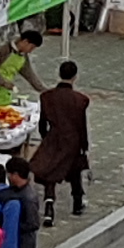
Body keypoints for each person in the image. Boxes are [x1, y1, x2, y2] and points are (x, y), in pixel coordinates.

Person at [36, 61, 95, 218]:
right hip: (72, 139)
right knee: (75, 170)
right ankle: (77, 203)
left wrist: (46, 138)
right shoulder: (80, 100)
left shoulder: (47, 97)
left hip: (54, 137)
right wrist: (84, 146)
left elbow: (42, 123)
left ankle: (49, 204)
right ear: (75, 77)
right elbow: (81, 125)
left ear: (59, 74)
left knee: (50, 171)